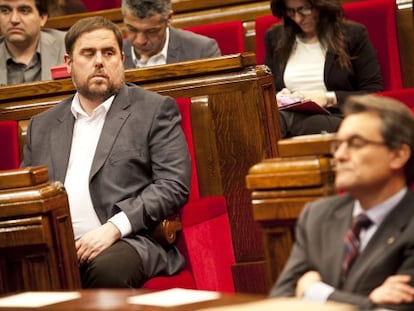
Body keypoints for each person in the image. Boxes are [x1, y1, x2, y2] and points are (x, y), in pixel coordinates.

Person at [22, 16, 191, 288]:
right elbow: (27, 195)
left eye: (108, 53)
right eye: (88, 54)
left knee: (107, 269)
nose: (99, 61)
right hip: (56, 246)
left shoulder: (154, 110)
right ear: (68, 63)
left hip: (128, 241)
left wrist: (114, 228)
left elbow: (173, 186)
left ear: (121, 59)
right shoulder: (42, 126)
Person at [270, 94, 414, 310]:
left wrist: (314, 292)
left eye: (355, 143)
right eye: (338, 145)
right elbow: (281, 300)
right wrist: (370, 303)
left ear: (398, 154)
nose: (340, 156)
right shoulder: (317, 215)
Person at [264, 0, 383, 138]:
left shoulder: (353, 34)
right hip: (288, 116)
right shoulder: (275, 37)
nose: (298, 18)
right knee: (272, 119)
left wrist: (328, 98)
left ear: (321, 5)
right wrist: (279, 97)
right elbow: (269, 89)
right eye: (291, 11)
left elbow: (374, 93)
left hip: (339, 116)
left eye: (305, 9)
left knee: (276, 121)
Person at [121, 0, 221, 69]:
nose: (140, 41)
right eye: (132, 29)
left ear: (169, 18)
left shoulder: (201, 51)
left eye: (151, 31)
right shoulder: (111, 54)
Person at [0, 0, 66, 85]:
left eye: (24, 11)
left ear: (42, 18)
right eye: (5, 11)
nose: (14, 19)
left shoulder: (68, 46)